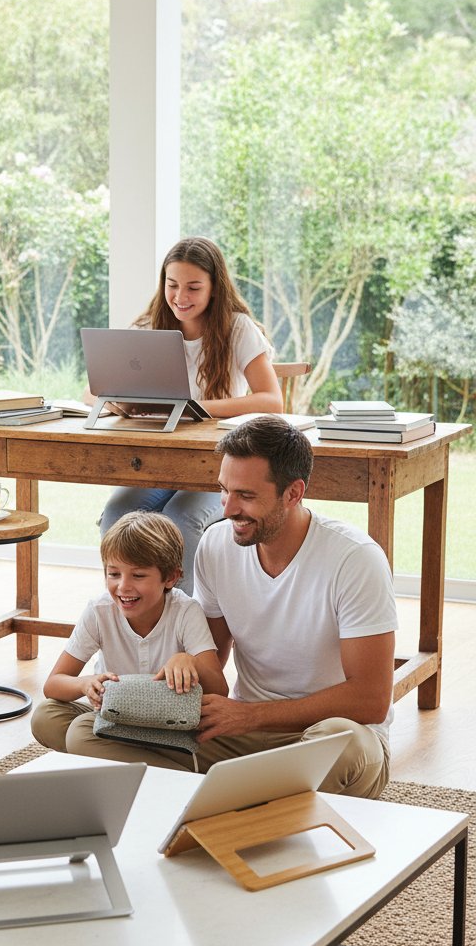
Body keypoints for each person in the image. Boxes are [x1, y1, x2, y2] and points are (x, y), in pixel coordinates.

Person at [76, 414, 397, 800]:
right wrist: (185, 663)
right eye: (223, 491)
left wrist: (250, 715)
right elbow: (210, 656)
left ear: (293, 493)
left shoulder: (355, 559)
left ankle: (213, 796)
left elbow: (371, 700)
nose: (228, 509)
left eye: (246, 496)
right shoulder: (216, 545)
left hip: (324, 733)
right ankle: (243, 799)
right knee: (81, 730)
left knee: (342, 742)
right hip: (240, 734)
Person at [92, 236, 283, 593]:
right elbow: (94, 389)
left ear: (215, 288)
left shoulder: (238, 328)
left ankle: (185, 618)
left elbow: (272, 401)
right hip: (159, 461)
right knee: (117, 513)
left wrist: (193, 407)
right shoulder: (149, 326)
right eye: (172, 285)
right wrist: (119, 400)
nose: (181, 296)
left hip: (219, 466)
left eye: (194, 287)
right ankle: (127, 612)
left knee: (182, 517)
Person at [31, 511, 227, 761]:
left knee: (80, 735)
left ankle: (121, 761)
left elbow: (220, 691)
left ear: (170, 577)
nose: (123, 586)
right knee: (45, 716)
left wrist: (190, 662)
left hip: (171, 724)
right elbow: (53, 684)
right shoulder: (99, 611)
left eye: (138, 575)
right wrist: (85, 683)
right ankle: (131, 757)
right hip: (116, 717)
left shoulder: (186, 611)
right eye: (114, 574)